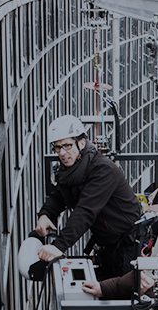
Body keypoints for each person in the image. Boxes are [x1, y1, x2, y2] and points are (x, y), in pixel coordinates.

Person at [34, 115, 142, 280]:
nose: (62, 153)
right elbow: (60, 195)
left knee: (122, 297)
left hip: (127, 247)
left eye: (67, 145)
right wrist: (45, 215)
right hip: (107, 244)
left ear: (82, 143)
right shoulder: (71, 170)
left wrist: (59, 246)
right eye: (57, 147)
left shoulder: (102, 170)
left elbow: (85, 211)